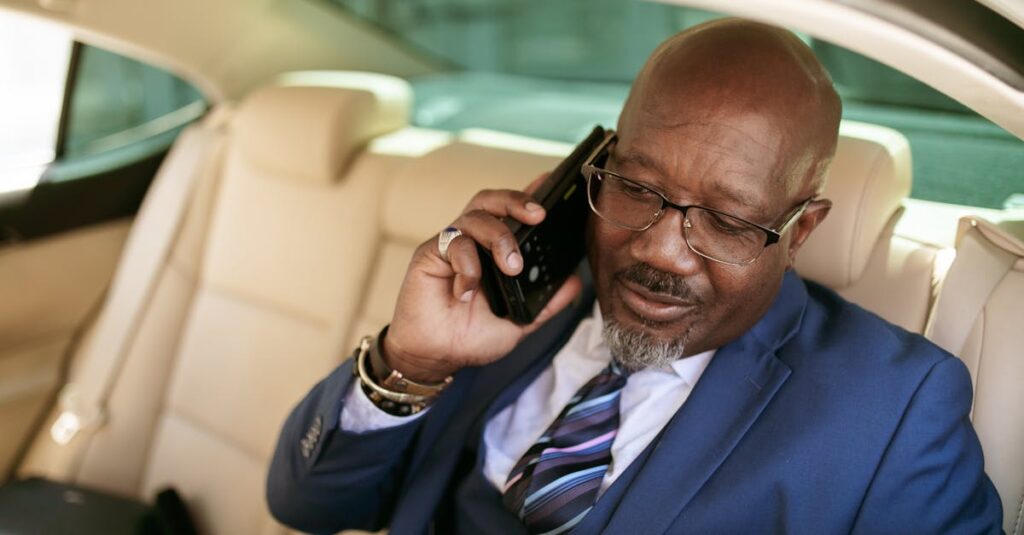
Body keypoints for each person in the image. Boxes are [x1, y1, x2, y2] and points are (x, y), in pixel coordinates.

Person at [267, 19, 1002, 534]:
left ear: (800, 229)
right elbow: (305, 504)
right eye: (637, 188)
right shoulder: (517, 293)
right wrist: (413, 361)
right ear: (602, 161)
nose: (661, 251)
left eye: (727, 221)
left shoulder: (895, 412)